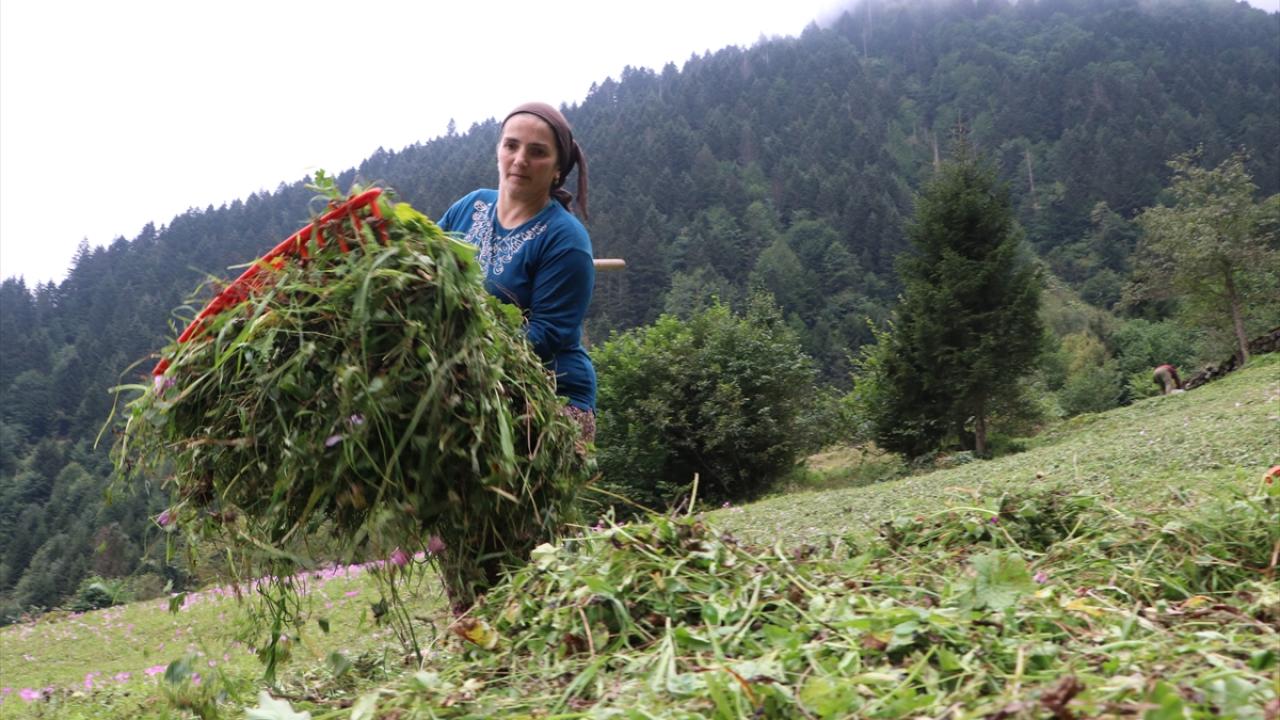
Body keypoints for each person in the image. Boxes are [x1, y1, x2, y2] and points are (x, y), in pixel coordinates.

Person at [437, 102, 596, 448]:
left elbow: (545, 335)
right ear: (499, 150)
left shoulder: (565, 240)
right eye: (512, 145)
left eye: (537, 152)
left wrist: (459, 358)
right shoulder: (470, 207)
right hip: (470, 384)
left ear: (557, 170)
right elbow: (426, 268)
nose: (520, 159)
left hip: (548, 398)